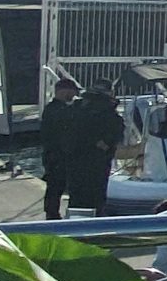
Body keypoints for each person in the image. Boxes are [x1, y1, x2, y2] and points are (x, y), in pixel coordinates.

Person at [65, 81, 124, 217]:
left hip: (76, 159)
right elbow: (114, 135)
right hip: (97, 161)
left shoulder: (76, 109)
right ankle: (94, 223)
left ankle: (73, 222)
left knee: (77, 196)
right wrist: (103, 143)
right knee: (96, 197)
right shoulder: (108, 113)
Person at [39, 77, 81, 220]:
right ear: (64, 91)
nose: (73, 96)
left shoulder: (51, 109)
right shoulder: (58, 110)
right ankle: (52, 214)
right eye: (71, 92)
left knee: (54, 186)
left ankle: (52, 213)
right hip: (57, 156)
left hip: (53, 155)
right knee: (56, 186)